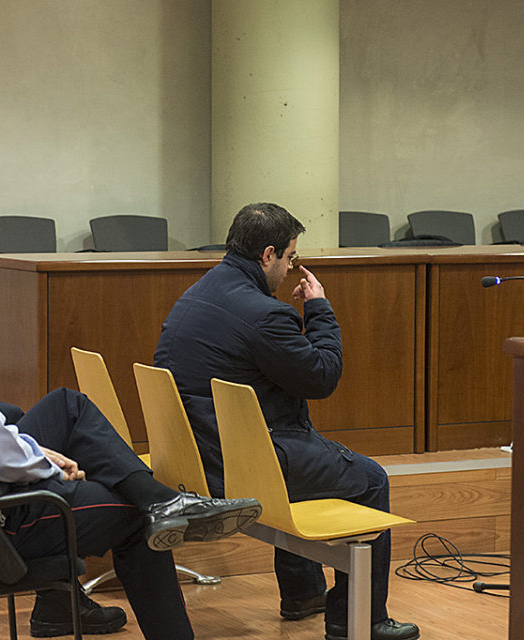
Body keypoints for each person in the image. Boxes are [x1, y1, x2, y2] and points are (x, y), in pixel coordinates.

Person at [0, 184, 262, 639]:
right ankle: (158, 512)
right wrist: (47, 466)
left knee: (65, 406)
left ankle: (154, 507)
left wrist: (34, 451)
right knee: (135, 516)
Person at [154, 203, 420, 640]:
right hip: (236, 465)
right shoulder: (264, 313)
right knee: (370, 479)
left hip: (192, 454)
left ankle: (304, 592)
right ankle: (358, 619)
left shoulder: (197, 293)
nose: (291, 268)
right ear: (268, 255)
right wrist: (319, 310)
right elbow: (321, 377)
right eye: (290, 258)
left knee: (302, 445)